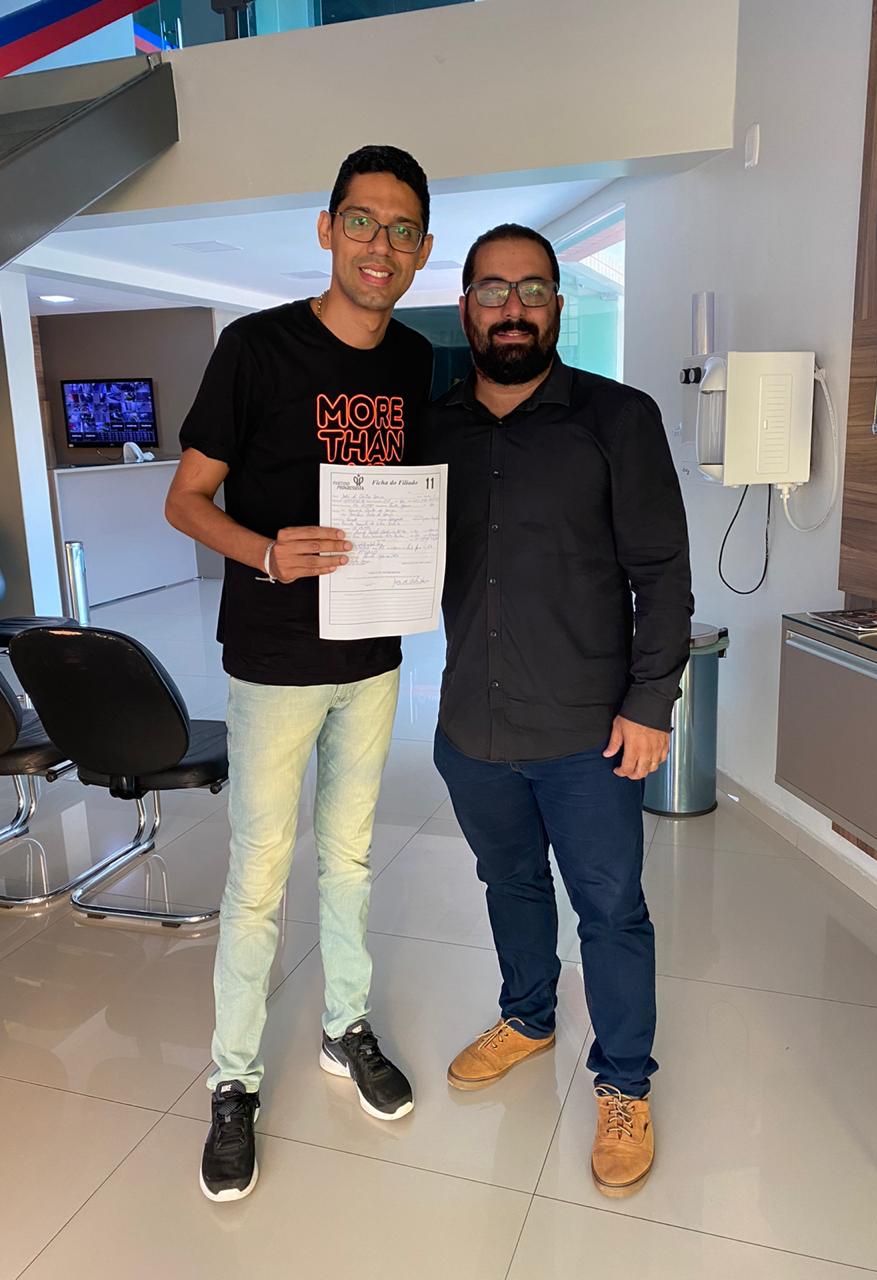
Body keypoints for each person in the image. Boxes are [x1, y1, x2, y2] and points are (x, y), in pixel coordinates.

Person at [165, 145, 434, 1202]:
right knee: (260, 875)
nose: (380, 246)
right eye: (362, 222)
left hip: (373, 655)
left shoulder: (414, 359)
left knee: (352, 859)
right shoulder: (254, 348)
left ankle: (344, 1025)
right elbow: (186, 500)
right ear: (327, 230)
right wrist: (270, 552)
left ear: (422, 250)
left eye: (402, 230)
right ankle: (233, 1081)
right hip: (275, 661)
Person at [422, 224, 692, 1198]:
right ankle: (530, 1016)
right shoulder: (431, 430)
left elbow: (663, 573)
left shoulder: (618, 418)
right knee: (509, 883)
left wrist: (651, 701)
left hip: (589, 734)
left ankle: (624, 1082)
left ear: (557, 307)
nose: (513, 308)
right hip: (473, 725)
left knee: (611, 910)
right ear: (466, 307)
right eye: (493, 290)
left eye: (532, 289)